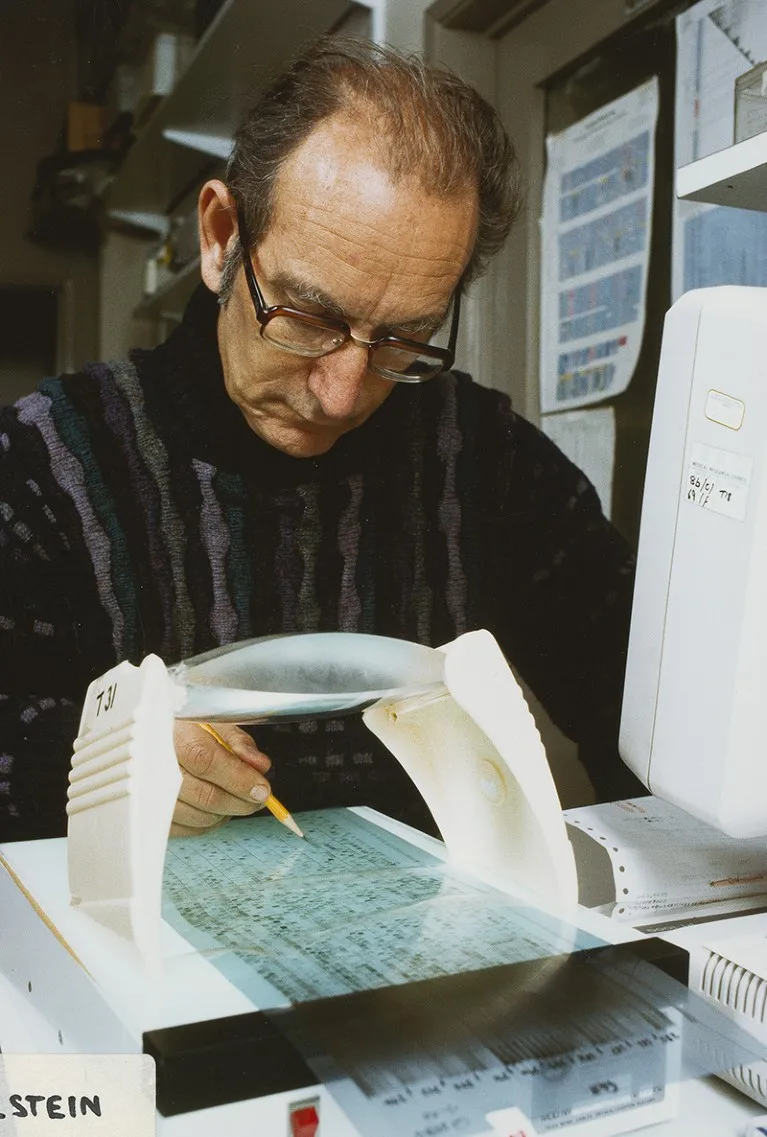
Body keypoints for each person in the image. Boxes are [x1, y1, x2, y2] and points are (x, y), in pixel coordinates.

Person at [0, 37, 641, 843]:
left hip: (414, 947)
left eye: (404, 338)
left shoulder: (484, 459)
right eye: (307, 318)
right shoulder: (42, 463)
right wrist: (86, 762)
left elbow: (640, 700)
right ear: (221, 235)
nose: (342, 394)